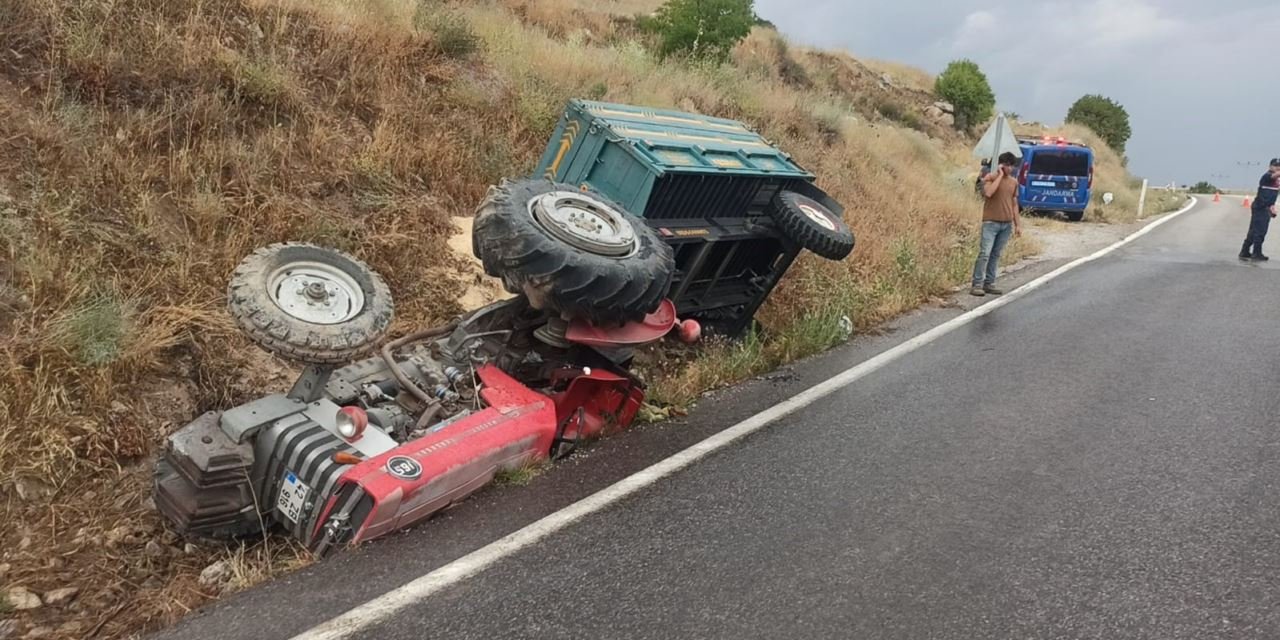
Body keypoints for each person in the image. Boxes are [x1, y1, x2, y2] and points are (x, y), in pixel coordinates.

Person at [971, 152, 1022, 296]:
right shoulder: (990, 178)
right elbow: (988, 193)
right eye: (1006, 165)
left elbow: (1014, 204)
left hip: (1006, 224)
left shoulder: (1013, 182)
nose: (1009, 168)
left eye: (1011, 165)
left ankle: (990, 282)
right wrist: (999, 175)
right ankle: (977, 284)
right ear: (1001, 165)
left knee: (995, 254)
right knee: (984, 254)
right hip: (991, 222)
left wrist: (1017, 224)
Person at [1240, 158, 1280, 261]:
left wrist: (1272, 207)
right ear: (1270, 166)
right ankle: (1256, 253)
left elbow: (1271, 195)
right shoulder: (1267, 176)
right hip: (1260, 207)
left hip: (1264, 207)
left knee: (1254, 231)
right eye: (1275, 165)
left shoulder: (1276, 182)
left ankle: (1244, 251)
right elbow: (1274, 176)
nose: (1277, 167)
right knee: (1260, 231)